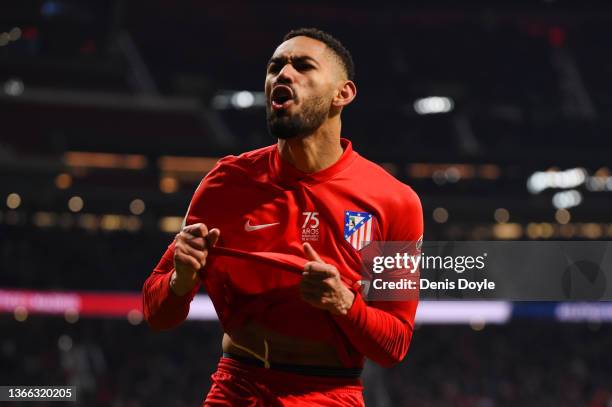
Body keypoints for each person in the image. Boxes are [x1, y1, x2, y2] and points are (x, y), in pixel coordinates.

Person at [142, 27, 423, 406]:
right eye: (275, 67)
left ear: (343, 94)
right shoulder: (224, 185)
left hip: (329, 394)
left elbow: (395, 344)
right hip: (236, 387)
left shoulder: (395, 201)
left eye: (303, 66)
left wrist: (346, 304)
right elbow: (156, 314)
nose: (283, 75)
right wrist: (181, 279)